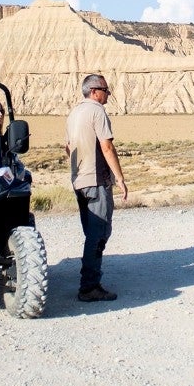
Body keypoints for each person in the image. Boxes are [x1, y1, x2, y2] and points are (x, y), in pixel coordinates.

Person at [65, 73, 128, 302]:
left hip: (79, 180)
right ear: (94, 91)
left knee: (91, 232)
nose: (108, 94)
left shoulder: (73, 114)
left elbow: (68, 147)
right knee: (98, 233)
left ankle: (89, 279)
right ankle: (89, 286)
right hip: (96, 180)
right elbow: (107, 146)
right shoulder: (97, 111)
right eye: (105, 90)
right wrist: (119, 178)